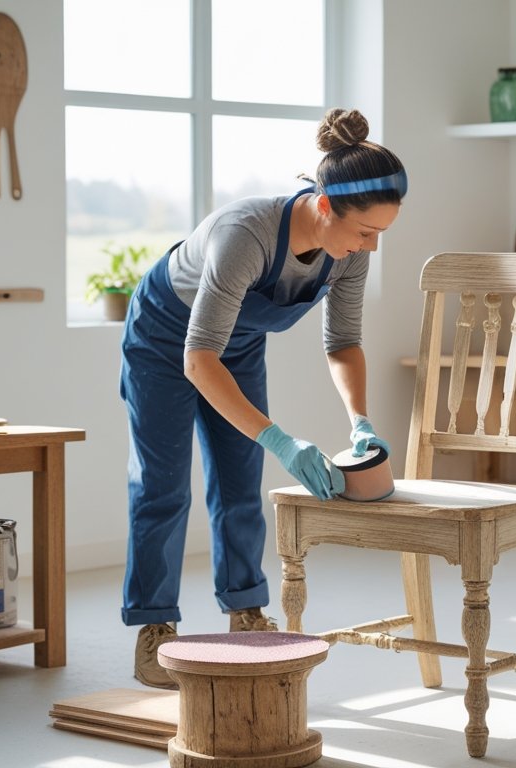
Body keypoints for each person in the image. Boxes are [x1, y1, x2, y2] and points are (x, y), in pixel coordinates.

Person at [119, 108, 405, 689]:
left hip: (239, 343)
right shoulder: (244, 235)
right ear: (323, 206)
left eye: (380, 233)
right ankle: (155, 626)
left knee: (239, 478)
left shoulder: (348, 253)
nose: (370, 247)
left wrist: (360, 421)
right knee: (162, 484)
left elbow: (343, 342)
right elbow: (199, 359)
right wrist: (280, 438)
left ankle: (245, 610)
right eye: (364, 232)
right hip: (165, 338)